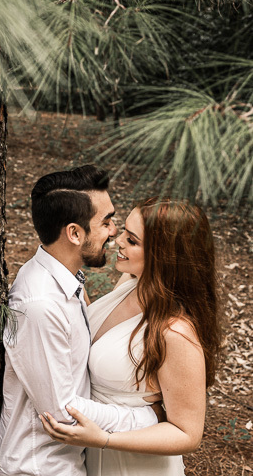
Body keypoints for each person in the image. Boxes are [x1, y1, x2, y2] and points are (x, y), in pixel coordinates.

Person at [40, 197, 223, 476]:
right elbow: (100, 337)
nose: (117, 240)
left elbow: (187, 433)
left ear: (165, 255)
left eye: (133, 240)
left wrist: (104, 440)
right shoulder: (130, 283)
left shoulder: (176, 333)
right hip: (86, 452)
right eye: (123, 230)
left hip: (134, 463)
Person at [0, 166, 159, 476]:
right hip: (41, 468)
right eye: (106, 222)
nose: (114, 233)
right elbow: (63, 411)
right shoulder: (40, 305)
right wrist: (146, 418)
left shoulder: (67, 281)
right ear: (74, 233)